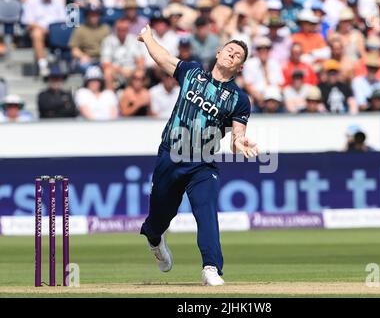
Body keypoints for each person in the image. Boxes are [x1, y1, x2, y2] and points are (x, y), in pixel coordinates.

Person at [138, 23, 258, 286]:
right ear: (218, 53)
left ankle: (211, 268)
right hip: (171, 155)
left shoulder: (238, 99)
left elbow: (237, 138)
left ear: (240, 67)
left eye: (238, 56)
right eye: (229, 50)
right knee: (160, 216)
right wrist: (148, 37)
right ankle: (154, 238)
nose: (232, 55)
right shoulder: (192, 73)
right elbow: (163, 58)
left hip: (202, 163)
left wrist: (242, 143)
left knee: (206, 211)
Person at [21, 0, 67, 77]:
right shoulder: (31, 1)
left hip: (56, 30)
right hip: (38, 29)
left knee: (68, 30)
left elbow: (63, 20)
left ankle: (66, 62)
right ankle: (43, 65)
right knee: (36, 34)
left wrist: (52, 29)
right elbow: (28, 22)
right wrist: (43, 28)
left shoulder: (58, 1)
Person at [101, 18, 145, 90]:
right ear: (115, 29)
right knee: (107, 72)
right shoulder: (108, 40)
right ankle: (111, 97)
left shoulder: (133, 39)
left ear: (128, 30)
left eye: (124, 29)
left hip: (132, 71)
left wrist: (134, 70)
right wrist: (121, 71)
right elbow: (105, 64)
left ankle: (137, 96)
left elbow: (140, 60)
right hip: (116, 71)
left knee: (140, 72)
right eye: (119, 29)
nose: (122, 32)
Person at [242, 36, 284, 109]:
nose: (264, 51)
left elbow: (280, 84)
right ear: (257, 50)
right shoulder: (250, 64)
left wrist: (274, 98)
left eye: (267, 48)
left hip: (274, 97)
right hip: (257, 97)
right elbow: (247, 84)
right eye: (260, 49)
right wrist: (260, 98)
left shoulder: (275, 63)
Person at [69, 2, 111, 73]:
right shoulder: (80, 29)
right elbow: (74, 50)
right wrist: (82, 56)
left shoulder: (106, 29)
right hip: (87, 59)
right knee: (86, 67)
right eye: (91, 14)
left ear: (99, 15)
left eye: (96, 14)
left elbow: (111, 46)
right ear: (87, 15)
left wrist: (107, 59)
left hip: (103, 59)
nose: (94, 16)